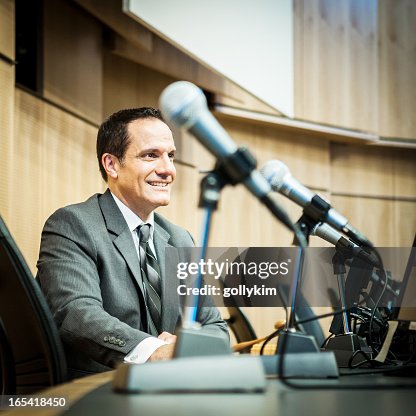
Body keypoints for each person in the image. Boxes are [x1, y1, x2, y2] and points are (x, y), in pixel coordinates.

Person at [37, 107, 228, 379]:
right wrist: (154, 351)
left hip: (169, 391)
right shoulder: (72, 224)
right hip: (96, 394)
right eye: (151, 155)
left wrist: (182, 348)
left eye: (170, 156)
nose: (167, 170)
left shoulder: (180, 239)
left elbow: (215, 326)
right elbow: (76, 314)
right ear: (112, 164)